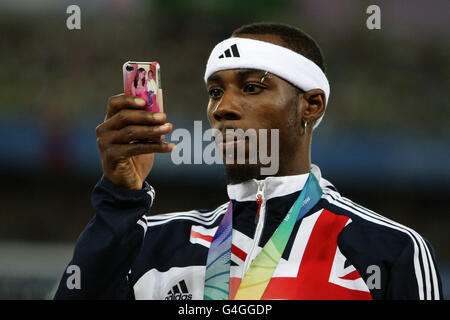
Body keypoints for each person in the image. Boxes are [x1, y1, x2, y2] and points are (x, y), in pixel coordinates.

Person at [54, 22, 442, 300]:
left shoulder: (387, 250)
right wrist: (120, 200)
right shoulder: (152, 242)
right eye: (215, 91)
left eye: (252, 88)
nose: (223, 108)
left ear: (311, 104)